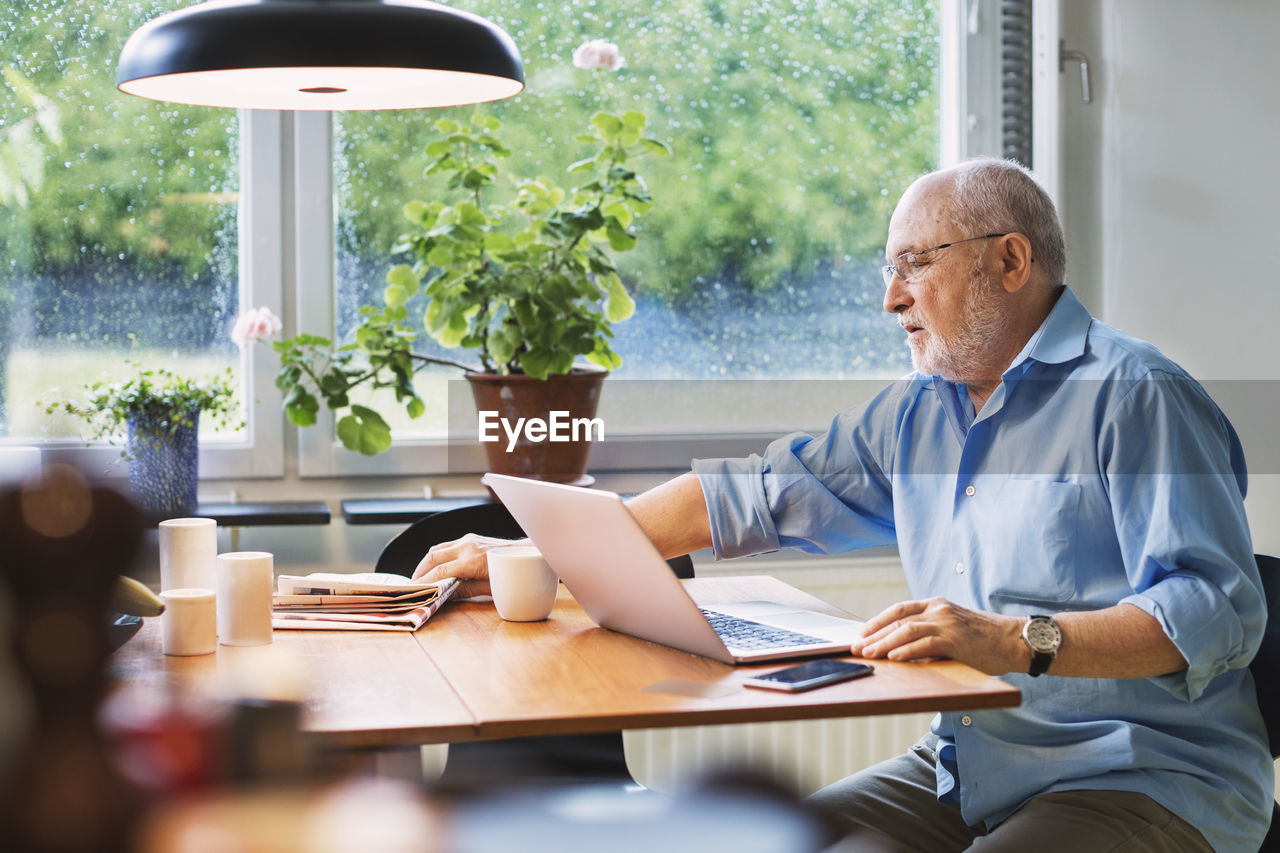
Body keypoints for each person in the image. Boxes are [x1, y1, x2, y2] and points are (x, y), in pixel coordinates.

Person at [414, 157, 1273, 851]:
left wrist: (1009, 639)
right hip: (967, 765)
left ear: (1010, 261)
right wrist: (539, 552)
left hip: (1142, 776)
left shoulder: (1137, 396)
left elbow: (1216, 612)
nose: (889, 297)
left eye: (914, 265)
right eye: (886, 269)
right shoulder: (919, 408)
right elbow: (756, 492)